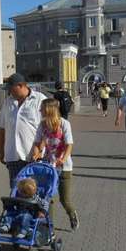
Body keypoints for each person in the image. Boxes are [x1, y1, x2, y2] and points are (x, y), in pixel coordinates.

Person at [31, 98, 79, 230]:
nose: (40, 110)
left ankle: (72, 214)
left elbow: (69, 144)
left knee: (65, 200)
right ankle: (48, 225)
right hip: (48, 167)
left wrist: (63, 159)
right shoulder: (42, 125)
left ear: (49, 110)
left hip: (64, 167)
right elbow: (37, 142)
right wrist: (37, 153)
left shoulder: (64, 124)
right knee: (48, 197)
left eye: (42, 108)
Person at [0, 73, 47, 188]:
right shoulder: (8, 102)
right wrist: (1, 152)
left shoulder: (40, 100)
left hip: (34, 157)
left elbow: (48, 129)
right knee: (16, 192)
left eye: (11, 89)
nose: (9, 92)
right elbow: (2, 128)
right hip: (13, 157)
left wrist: (40, 149)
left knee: (35, 193)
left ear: (21, 85)